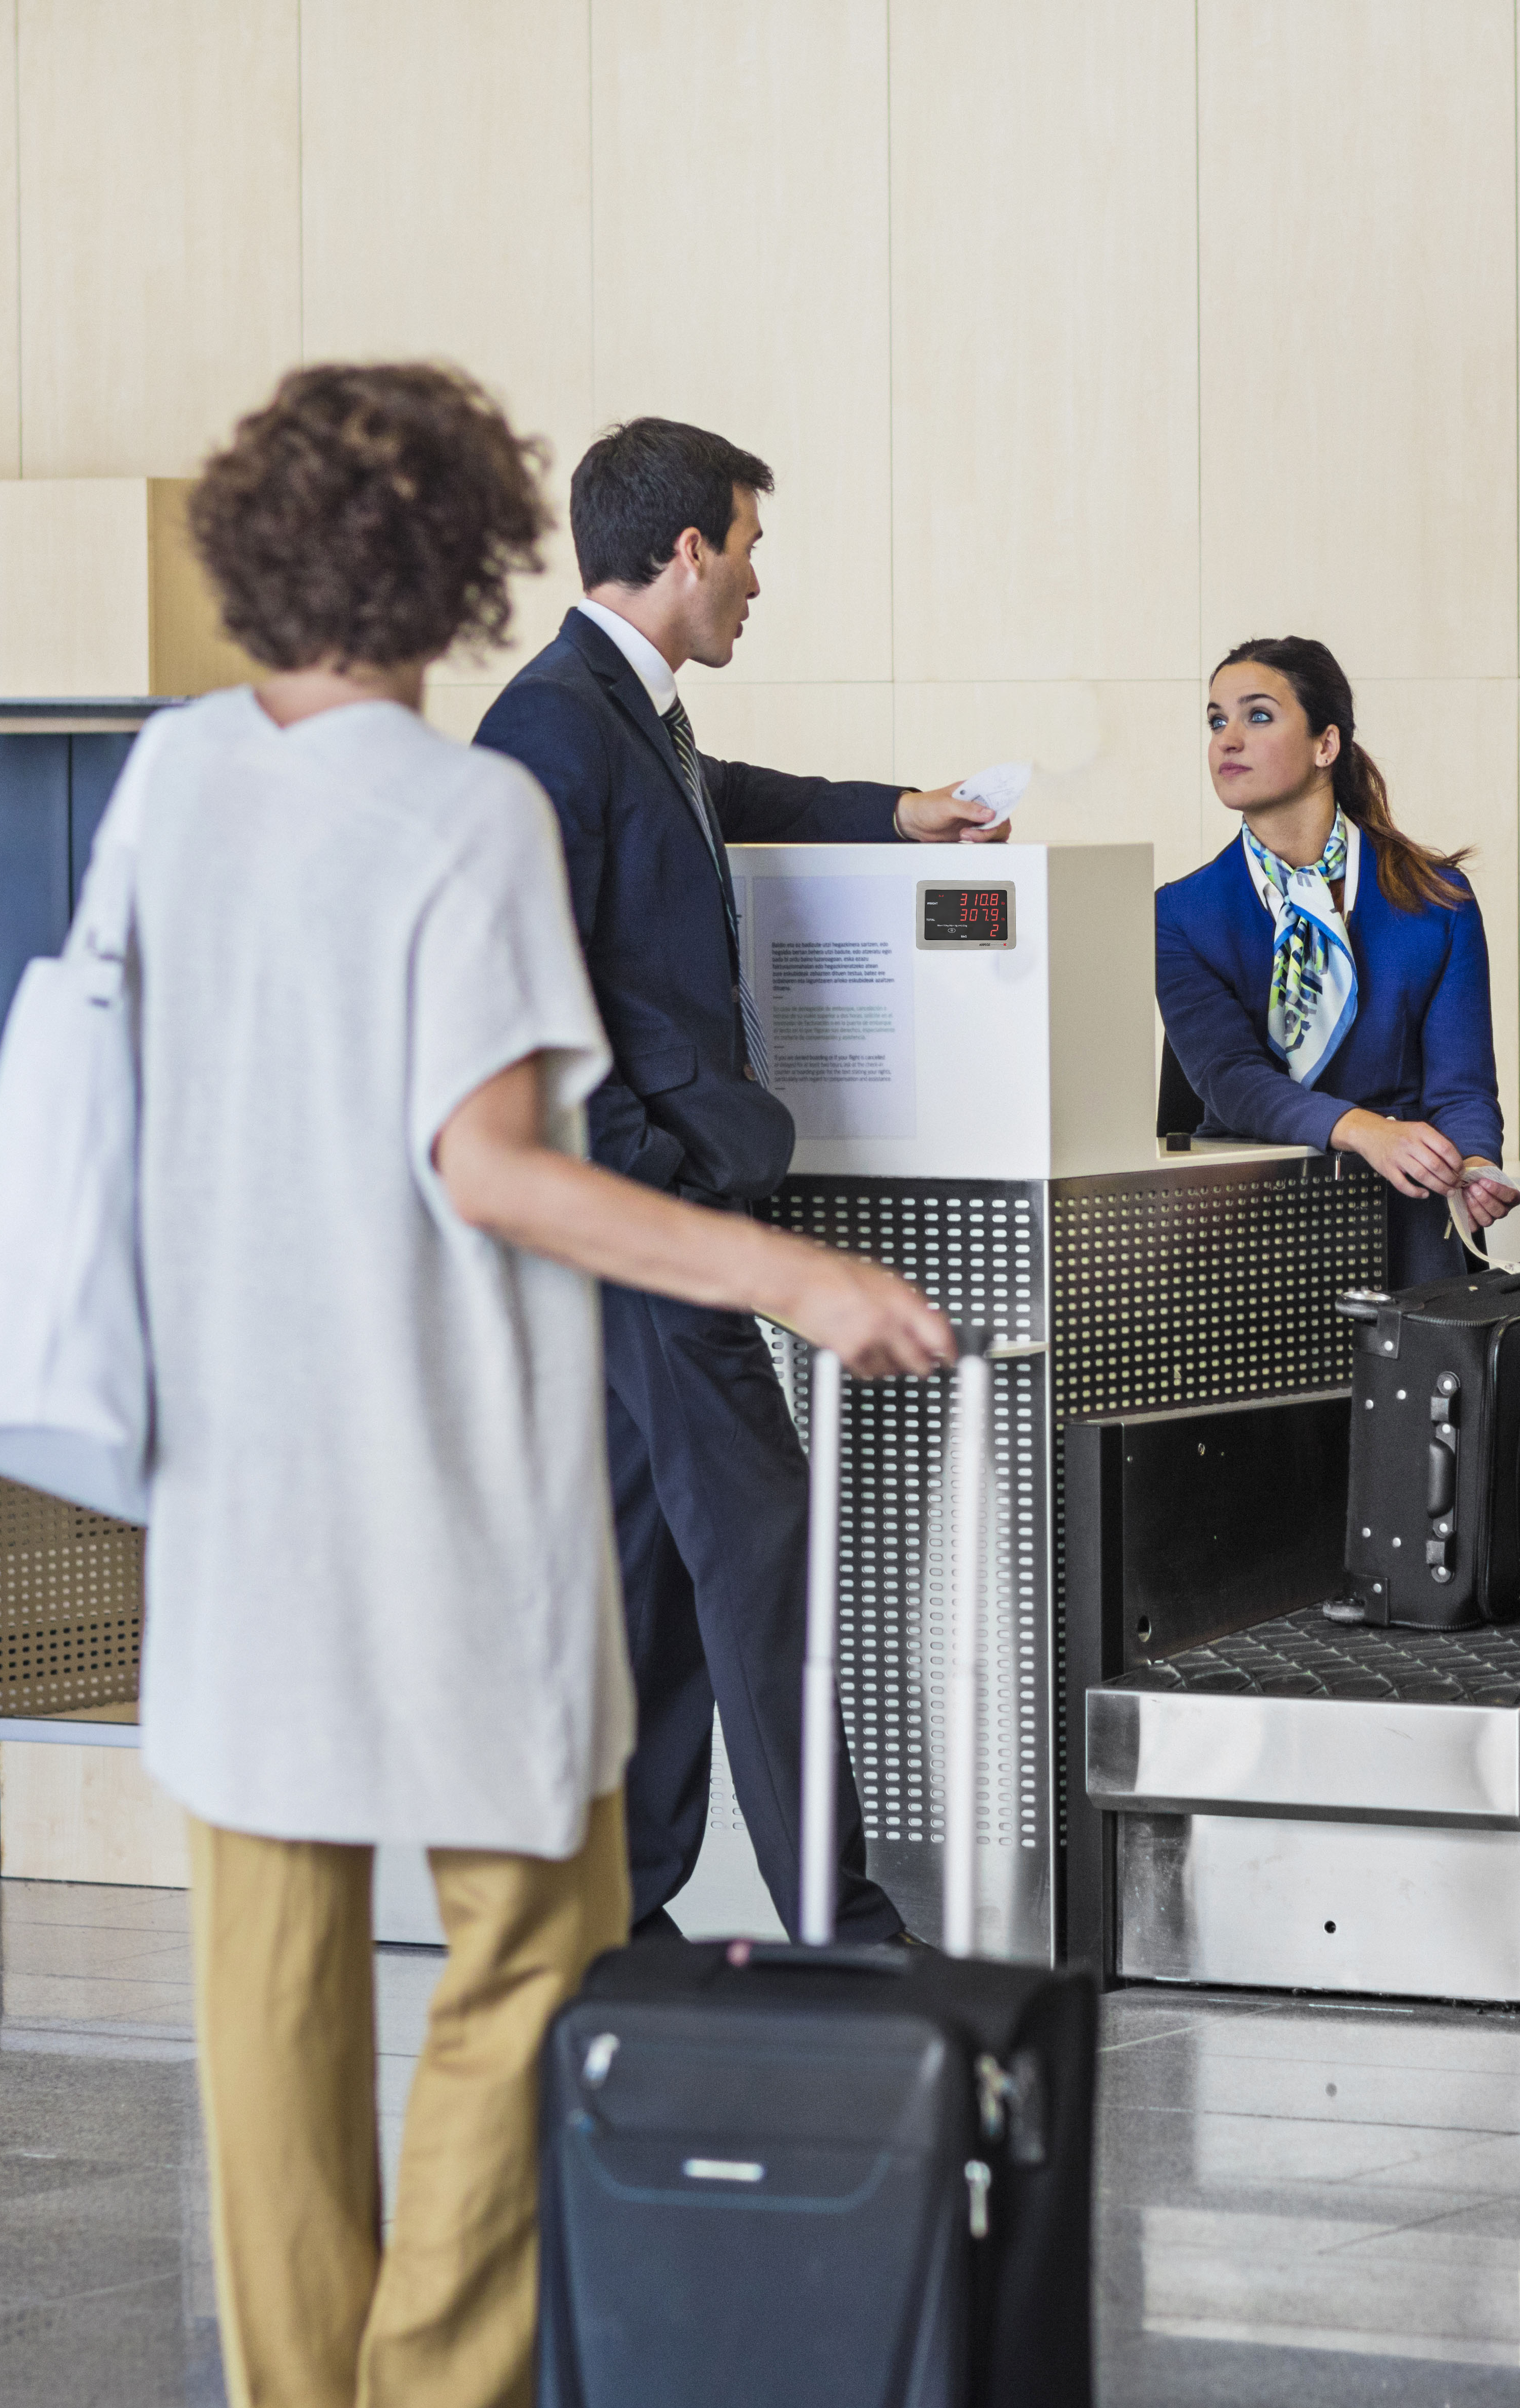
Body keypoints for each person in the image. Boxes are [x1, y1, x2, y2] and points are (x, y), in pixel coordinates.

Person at [137, 363, 950, 2408]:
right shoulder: (470, 806)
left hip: (229, 1465)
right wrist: (785, 1273)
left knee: (272, 1989)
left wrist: (882, 809)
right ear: (475, 550)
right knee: (540, 1930)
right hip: (426, 1443)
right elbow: (498, 1162)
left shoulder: (175, 786)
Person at [473, 418, 1005, 1946]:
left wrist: (896, 812)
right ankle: (844, 1928)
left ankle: (621, 1914)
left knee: (657, 1567)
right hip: (646, 1226)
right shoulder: (549, 727)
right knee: (766, 1552)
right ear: (690, 548)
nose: (758, 582)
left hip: (653, 1221)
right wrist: (659, 1174)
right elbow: (537, 1004)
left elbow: (723, 791)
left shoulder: (620, 713)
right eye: (751, 549)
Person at [1156, 636, 1515, 1287]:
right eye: (1215, 721)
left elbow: (1461, 1089)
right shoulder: (1181, 912)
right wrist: (1366, 1131)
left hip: (1402, 1214)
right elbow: (1231, 1080)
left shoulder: (1437, 899)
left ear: (1326, 745)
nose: (1227, 740)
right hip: (1247, 1216)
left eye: (1256, 715)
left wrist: (1474, 1164)